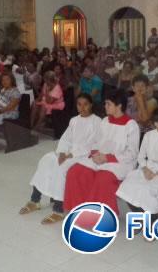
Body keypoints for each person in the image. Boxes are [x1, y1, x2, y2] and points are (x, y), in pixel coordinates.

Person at [20, 93, 100, 224]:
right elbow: (65, 139)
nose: (83, 107)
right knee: (46, 160)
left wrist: (70, 155)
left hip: (83, 156)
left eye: (86, 104)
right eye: (79, 104)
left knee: (61, 168)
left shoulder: (96, 121)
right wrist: (62, 152)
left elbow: (91, 144)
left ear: (91, 105)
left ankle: (59, 209)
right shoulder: (74, 120)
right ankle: (35, 200)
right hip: (68, 153)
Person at [64, 90, 140, 215]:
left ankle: (102, 216)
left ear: (119, 106)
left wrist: (108, 158)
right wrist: (95, 153)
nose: (105, 106)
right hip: (100, 158)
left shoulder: (131, 125)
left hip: (121, 163)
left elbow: (132, 153)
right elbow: (96, 142)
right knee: (75, 171)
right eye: (105, 104)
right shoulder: (105, 121)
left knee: (103, 179)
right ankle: (78, 210)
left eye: (108, 104)